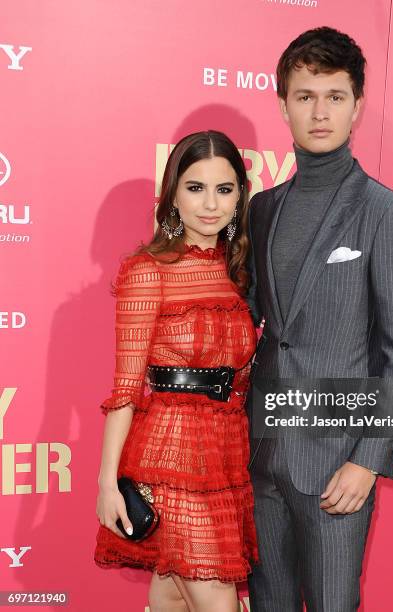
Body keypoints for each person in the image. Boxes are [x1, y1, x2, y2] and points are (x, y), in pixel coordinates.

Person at [245, 27, 393, 611]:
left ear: (356, 106)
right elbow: (254, 320)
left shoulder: (387, 213)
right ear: (283, 105)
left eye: (334, 96)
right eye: (305, 96)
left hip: (335, 464)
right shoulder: (262, 208)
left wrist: (367, 459)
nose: (319, 112)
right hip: (260, 454)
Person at [94, 130, 258, 612]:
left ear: (239, 196)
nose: (211, 204)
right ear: (172, 196)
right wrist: (107, 484)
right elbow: (125, 388)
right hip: (170, 454)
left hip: (226, 452)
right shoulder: (148, 270)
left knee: (172, 597)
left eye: (224, 190)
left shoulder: (236, 270)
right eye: (195, 187)